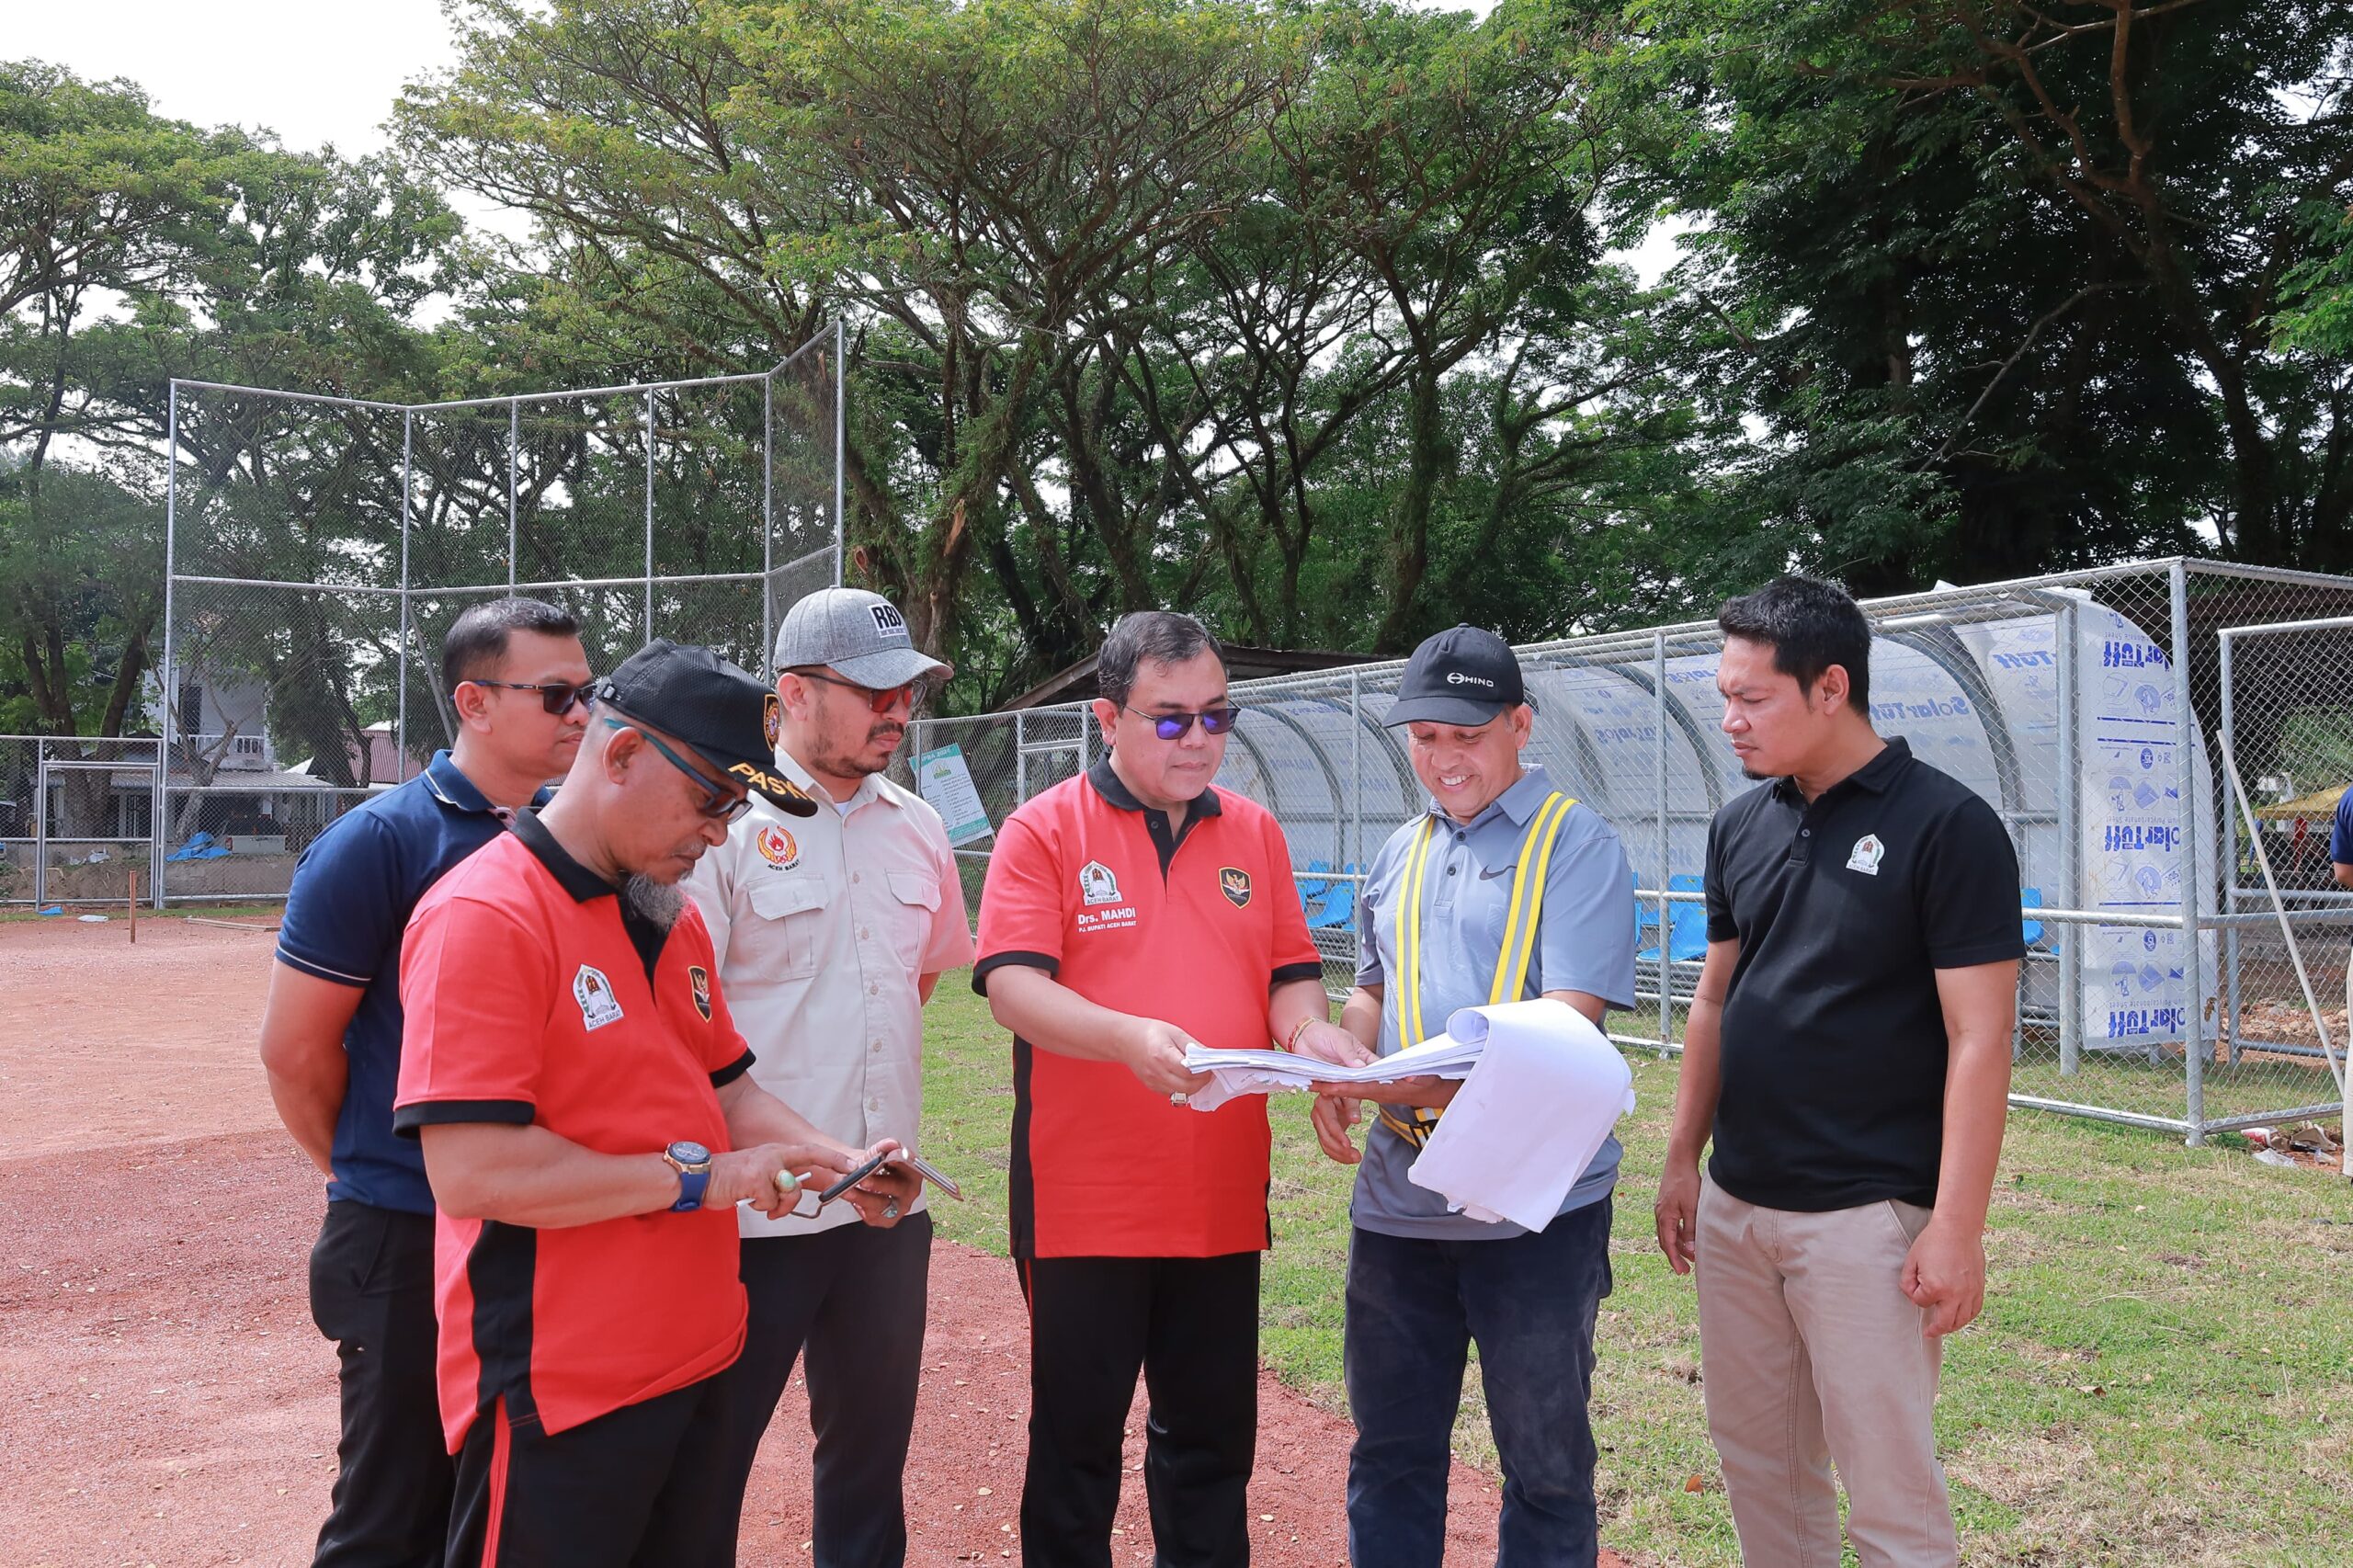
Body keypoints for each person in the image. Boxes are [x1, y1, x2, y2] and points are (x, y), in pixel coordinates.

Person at [391, 640, 921, 1568]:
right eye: (713, 798)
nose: (721, 831)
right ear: (623, 754)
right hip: (561, 1387)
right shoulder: (487, 913)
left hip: (698, 1358)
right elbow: (473, 1169)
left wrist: (836, 1158)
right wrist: (706, 1179)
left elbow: (732, 1088)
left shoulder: (664, 916)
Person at [972, 609, 1358, 1568]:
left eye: (1216, 717)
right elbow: (1013, 987)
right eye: (1171, 718)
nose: (1198, 740)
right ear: (1109, 717)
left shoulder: (1255, 832)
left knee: (1212, 1443)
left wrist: (1309, 1036)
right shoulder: (1044, 828)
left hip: (1218, 1193)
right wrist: (1126, 1038)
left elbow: (1287, 973)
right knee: (1076, 1444)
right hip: (1083, 1198)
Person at [1652, 575, 2023, 1568]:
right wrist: (1684, 1155)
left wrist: (1955, 1223)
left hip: (1866, 1216)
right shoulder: (1741, 823)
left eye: (1752, 697)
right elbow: (1715, 998)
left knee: (1888, 1493)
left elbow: (1981, 1036)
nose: (1729, 719)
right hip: (1738, 1205)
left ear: (1829, 687)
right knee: (1761, 1470)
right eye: (1722, 696)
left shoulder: (1947, 825)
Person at [258, 597, 594, 1568]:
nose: (581, 714)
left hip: (533, 1222)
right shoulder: (381, 842)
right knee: (392, 1512)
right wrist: (379, 1170)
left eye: (591, 692)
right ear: (474, 702)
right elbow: (296, 1054)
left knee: (504, 1503)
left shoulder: (574, 845)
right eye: (557, 693)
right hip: (405, 1231)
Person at [1297, 625, 1635, 1568]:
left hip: (1533, 1204)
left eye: (1467, 733)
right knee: (1393, 1450)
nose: (1443, 757)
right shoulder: (1398, 850)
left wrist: (1394, 1077)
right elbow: (1370, 984)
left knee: (1545, 1463)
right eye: (1423, 736)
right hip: (1401, 1192)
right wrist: (1344, 1055)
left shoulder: (1576, 845)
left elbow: (1569, 1025)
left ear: (1519, 724)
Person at [688, 588, 974, 1568]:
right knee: (709, 1453)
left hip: (883, 1208)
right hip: (753, 1212)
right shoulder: (720, 822)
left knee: (867, 1458)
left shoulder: (919, 826)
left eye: (909, 691)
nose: (899, 709)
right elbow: (686, 1019)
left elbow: (918, 976)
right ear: (795, 696)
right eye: (876, 691)